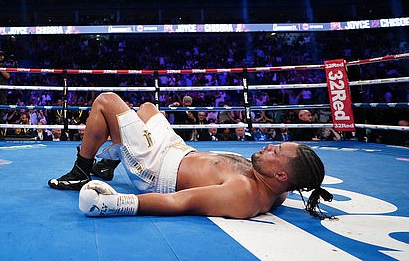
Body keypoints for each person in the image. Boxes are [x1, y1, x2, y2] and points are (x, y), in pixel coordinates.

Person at [49, 92, 332, 219]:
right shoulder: (279, 188)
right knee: (147, 108)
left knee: (106, 102)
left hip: (155, 169)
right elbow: (289, 186)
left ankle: (81, 171)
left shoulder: (244, 194)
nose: (271, 146)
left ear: (281, 174)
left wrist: (115, 203)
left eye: (277, 152)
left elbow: (178, 202)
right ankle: (112, 159)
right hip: (178, 149)